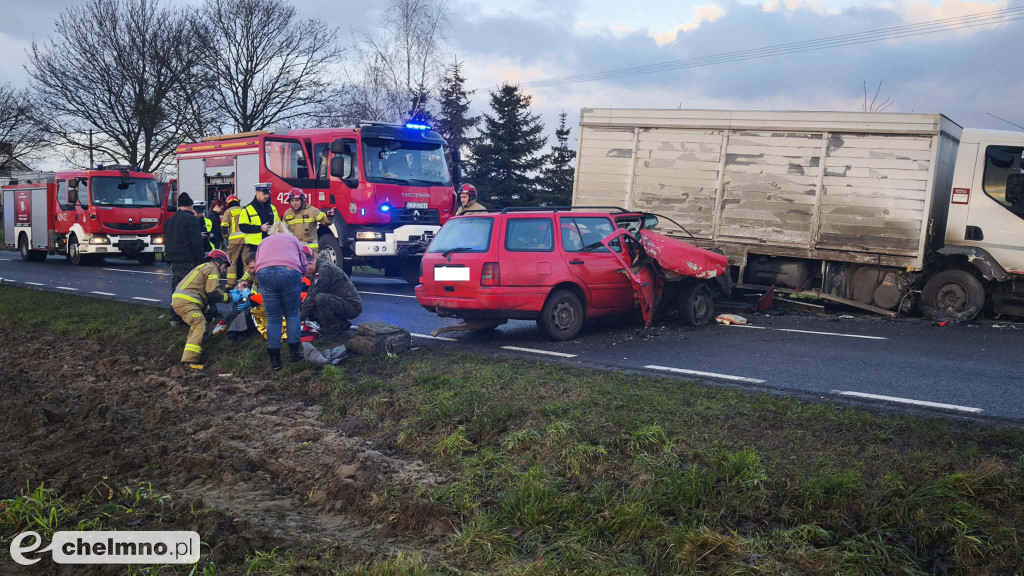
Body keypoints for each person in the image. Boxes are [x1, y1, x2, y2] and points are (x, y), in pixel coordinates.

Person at [253, 221, 307, 370]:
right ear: (286, 231)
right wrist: (303, 273)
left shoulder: (264, 241)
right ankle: (295, 354)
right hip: (289, 272)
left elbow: (257, 262)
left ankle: (275, 360)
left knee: (273, 318)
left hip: (264, 274)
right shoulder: (292, 239)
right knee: (292, 314)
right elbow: (303, 262)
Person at [171, 249, 233, 370]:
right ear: (218, 262)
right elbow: (213, 293)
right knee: (200, 324)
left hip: (181, 301)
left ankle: (188, 358)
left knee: (196, 326)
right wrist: (230, 297)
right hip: (187, 303)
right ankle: (190, 362)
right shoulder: (212, 269)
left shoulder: (203, 267)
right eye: (225, 266)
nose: (225, 270)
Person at [301, 247, 362, 339]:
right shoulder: (318, 268)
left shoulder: (324, 270)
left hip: (352, 306)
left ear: (309, 264)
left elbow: (313, 297)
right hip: (341, 303)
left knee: (320, 299)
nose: (304, 272)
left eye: (304, 269)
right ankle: (341, 325)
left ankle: (332, 331)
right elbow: (310, 294)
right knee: (313, 303)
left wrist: (298, 318)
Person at [164, 192, 205, 327]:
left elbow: (167, 239)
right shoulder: (191, 219)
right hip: (188, 259)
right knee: (190, 291)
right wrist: (201, 260)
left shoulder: (170, 220)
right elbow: (196, 242)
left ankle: (174, 317)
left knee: (176, 290)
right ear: (190, 206)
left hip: (174, 259)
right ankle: (190, 317)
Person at [238, 182, 280, 277]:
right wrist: (260, 228)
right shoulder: (247, 209)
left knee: (270, 268)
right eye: (264, 193)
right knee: (255, 269)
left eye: (268, 193)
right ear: (257, 193)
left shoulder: (272, 208)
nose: (266, 196)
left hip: (271, 244)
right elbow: (243, 227)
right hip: (255, 246)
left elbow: (278, 224)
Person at [222, 195, 245, 288]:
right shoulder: (244, 209)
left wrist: (225, 237)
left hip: (234, 241)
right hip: (246, 240)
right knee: (246, 262)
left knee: (232, 262)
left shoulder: (228, 211)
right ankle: (246, 282)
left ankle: (231, 283)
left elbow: (224, 226)